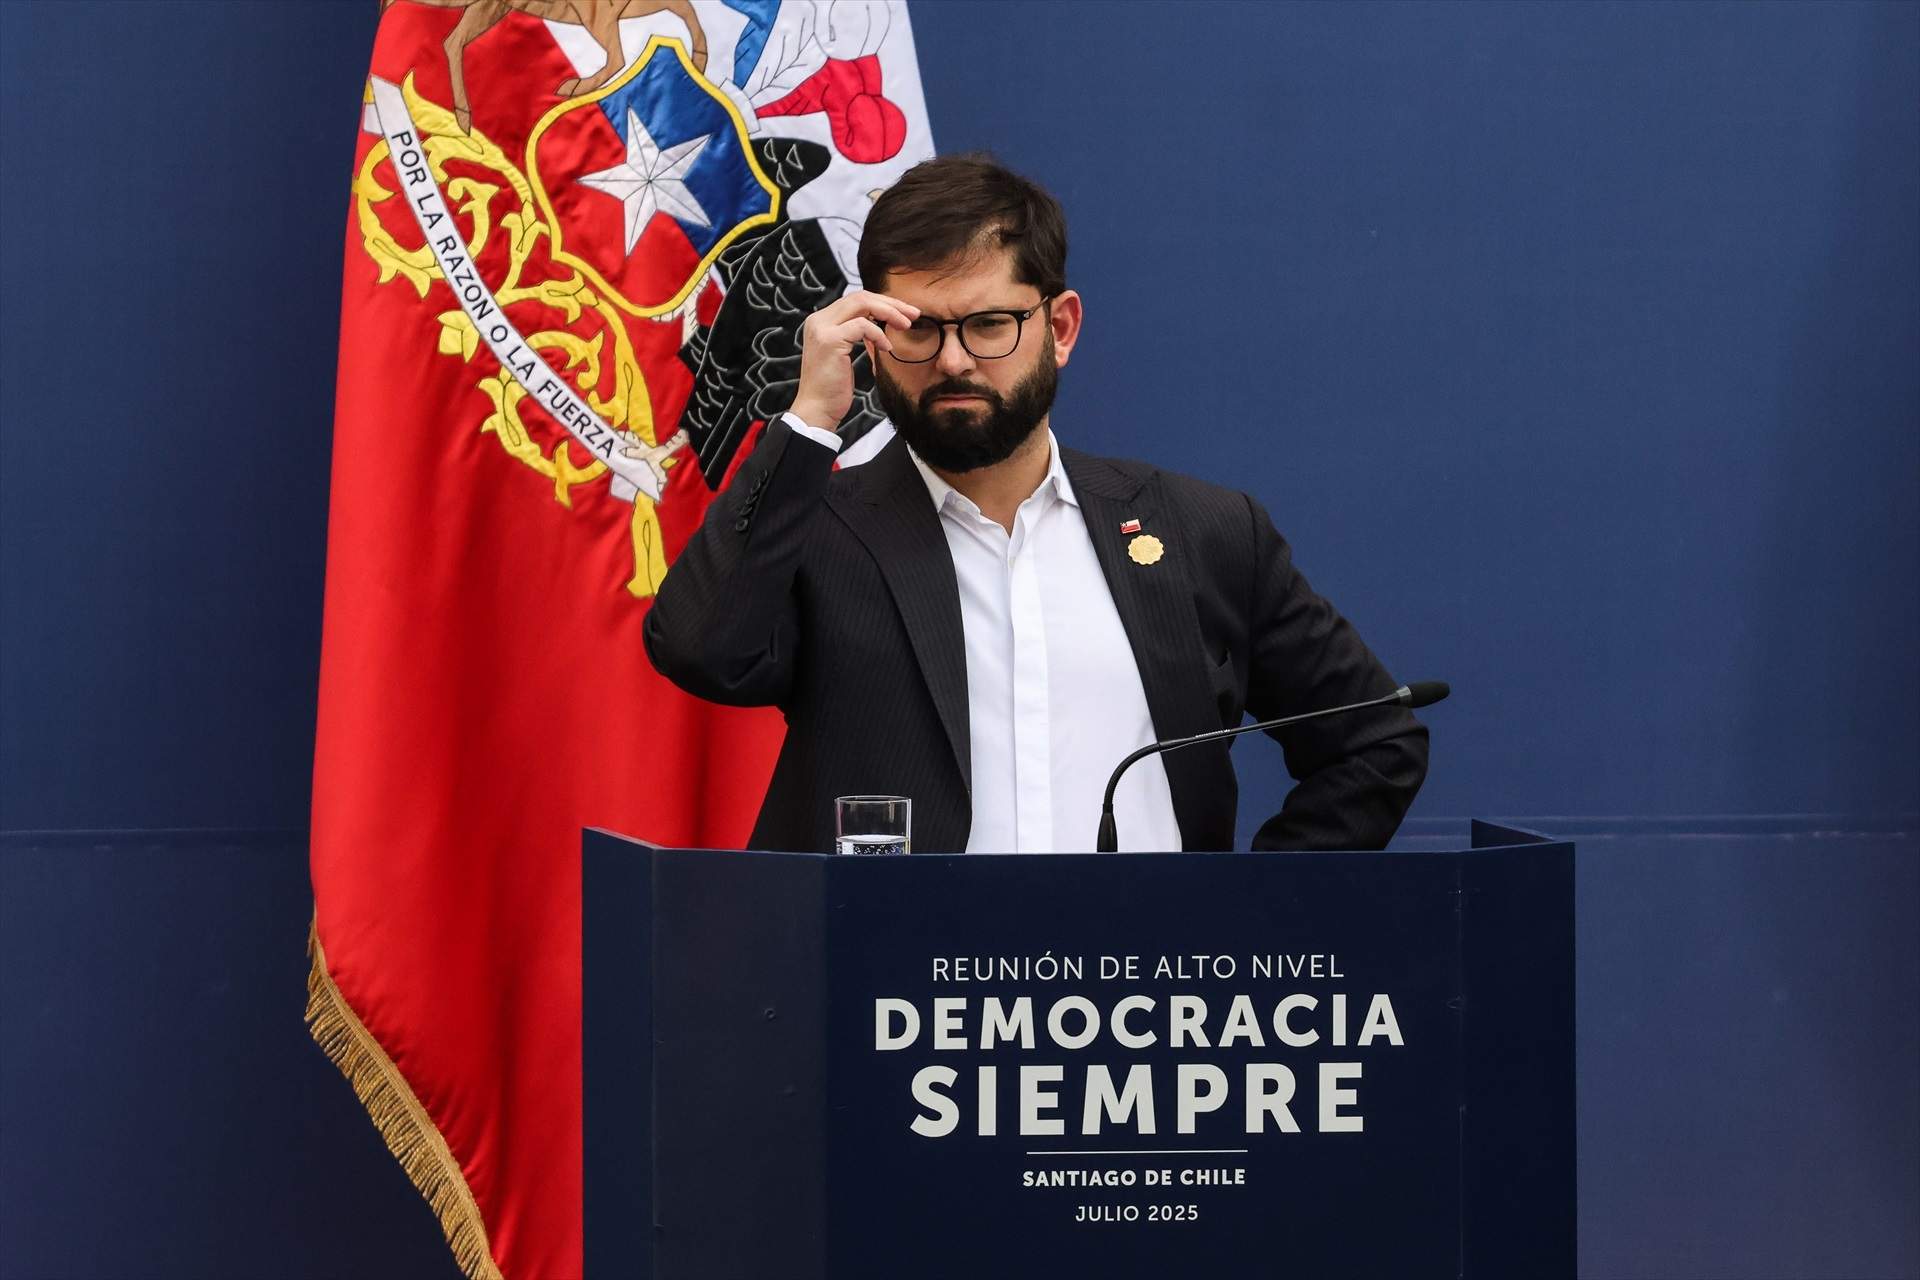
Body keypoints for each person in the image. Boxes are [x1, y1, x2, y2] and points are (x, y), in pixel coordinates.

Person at [644, 154, 1427, 854]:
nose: (952, 361)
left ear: (1059, 327)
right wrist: (808, 419)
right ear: (870, 337)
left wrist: (1247, 917)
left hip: (1139, 999)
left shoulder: (1203, 532)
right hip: (894, 1000)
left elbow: (1375, 740)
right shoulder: (819, 533)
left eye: (988, 325)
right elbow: (700, 649)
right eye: (916, 330)